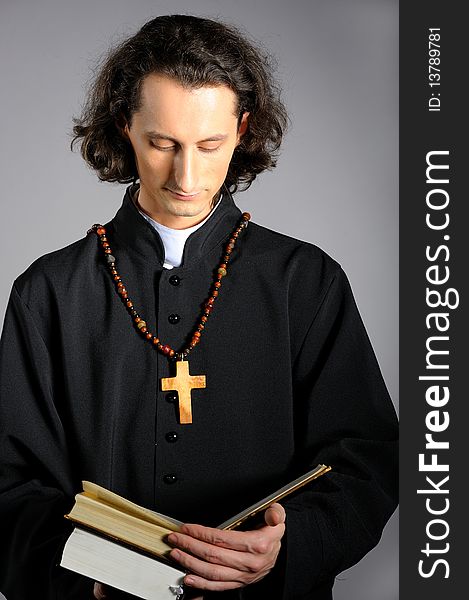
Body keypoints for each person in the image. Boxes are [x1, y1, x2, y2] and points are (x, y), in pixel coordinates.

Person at [0, 14, 398, 600]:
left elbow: (366, 459)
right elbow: (8, 483)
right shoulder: (50, 292)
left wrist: (287, 547)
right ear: (125, 128)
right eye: (163, 143)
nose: (186, 176)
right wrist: (85, 575)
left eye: (210, 145)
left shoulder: (305, 281)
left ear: (242, 130)